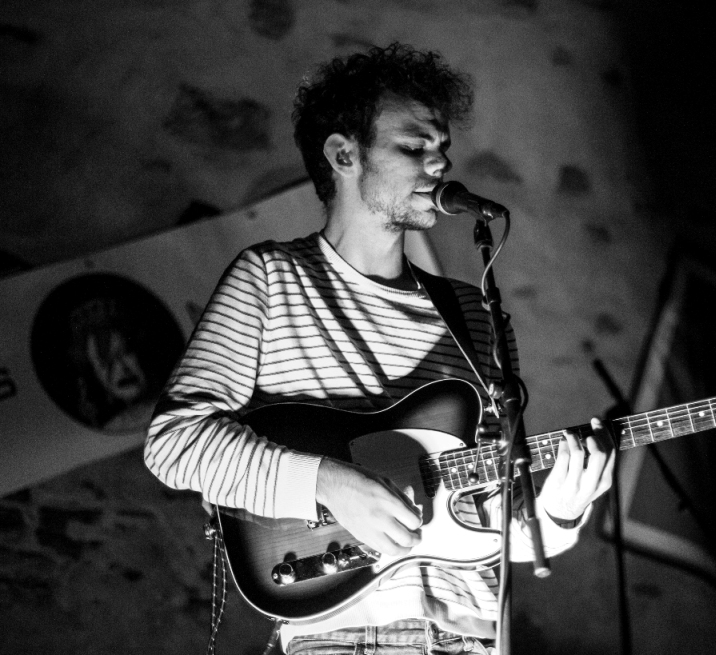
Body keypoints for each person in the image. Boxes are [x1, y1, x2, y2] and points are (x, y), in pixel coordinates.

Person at [145, 42, 614, 655]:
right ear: (344, 155)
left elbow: (488, 521)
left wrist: (558, 512)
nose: (439, 164)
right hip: (344, 636)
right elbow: (175, 444)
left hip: (472, 635)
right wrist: (328, 483)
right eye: (414, 148)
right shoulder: (272, 279)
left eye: (442, 148)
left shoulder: (474, 315)